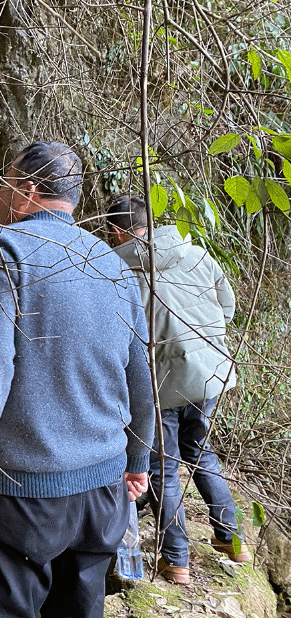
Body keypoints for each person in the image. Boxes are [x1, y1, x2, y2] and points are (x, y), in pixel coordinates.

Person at [0, 142, 155, 618]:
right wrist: (139, 458)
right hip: (104, 490)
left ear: (26, 189)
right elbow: (141, 371)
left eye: (4, 180)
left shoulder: (2, 250)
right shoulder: (114, 266)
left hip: (24, 492)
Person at [105, 195, 251, 585]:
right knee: (202, 456)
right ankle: (233, 542)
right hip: (210, 375)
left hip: (161, 386)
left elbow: (117, 338)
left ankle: (178, 563)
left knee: (163, 470)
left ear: (117, 232)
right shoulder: (195, 251)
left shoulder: (118, 271)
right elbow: (228, 306)